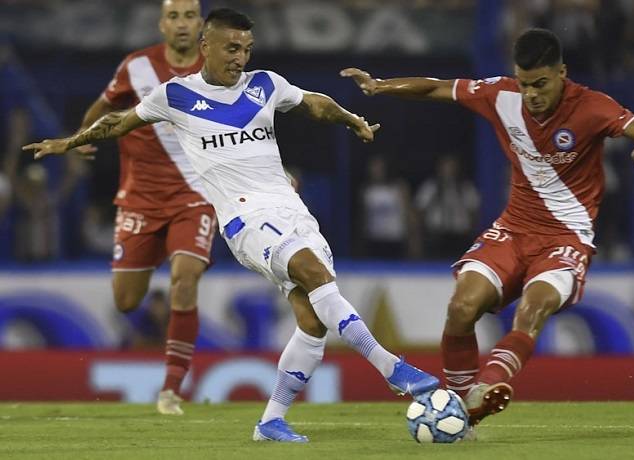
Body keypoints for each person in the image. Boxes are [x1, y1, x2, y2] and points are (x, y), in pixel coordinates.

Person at [24, 8, 439, 443]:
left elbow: (313, 103)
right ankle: (394, 370)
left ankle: (270, 422)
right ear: (206, 46)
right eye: (231, 48)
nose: (239, 57)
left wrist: (351, 120)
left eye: (246, 49)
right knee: (317, 277)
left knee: (314, 321)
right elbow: (118, 123)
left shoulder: (265, 84)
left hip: (291, 210)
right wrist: (70, 141)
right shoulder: (175, 95)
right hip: (245, 221)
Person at [342, 28, 634, 427]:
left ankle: (489, 385)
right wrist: (381, 86)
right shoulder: (501, 95)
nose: (532, 94)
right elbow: (438, 89)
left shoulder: (593, 107)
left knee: (533, 307)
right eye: (525, 83)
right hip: (513, 230)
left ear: (562, 73)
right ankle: (462, 409)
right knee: (462, 306)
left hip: (566, 238)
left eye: (541, 84)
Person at [75, 0, 212, 416]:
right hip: (139, 198)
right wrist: (84, 136)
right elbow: (102, 107)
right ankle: (152, 250)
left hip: (196, 194)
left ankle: (170, 389)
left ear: (201, 22)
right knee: (127, 301)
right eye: (174, 16)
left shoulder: (217, 69)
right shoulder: (136, 67)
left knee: (185, 278)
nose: (182, 23)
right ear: (162, 24)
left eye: (190, 15)